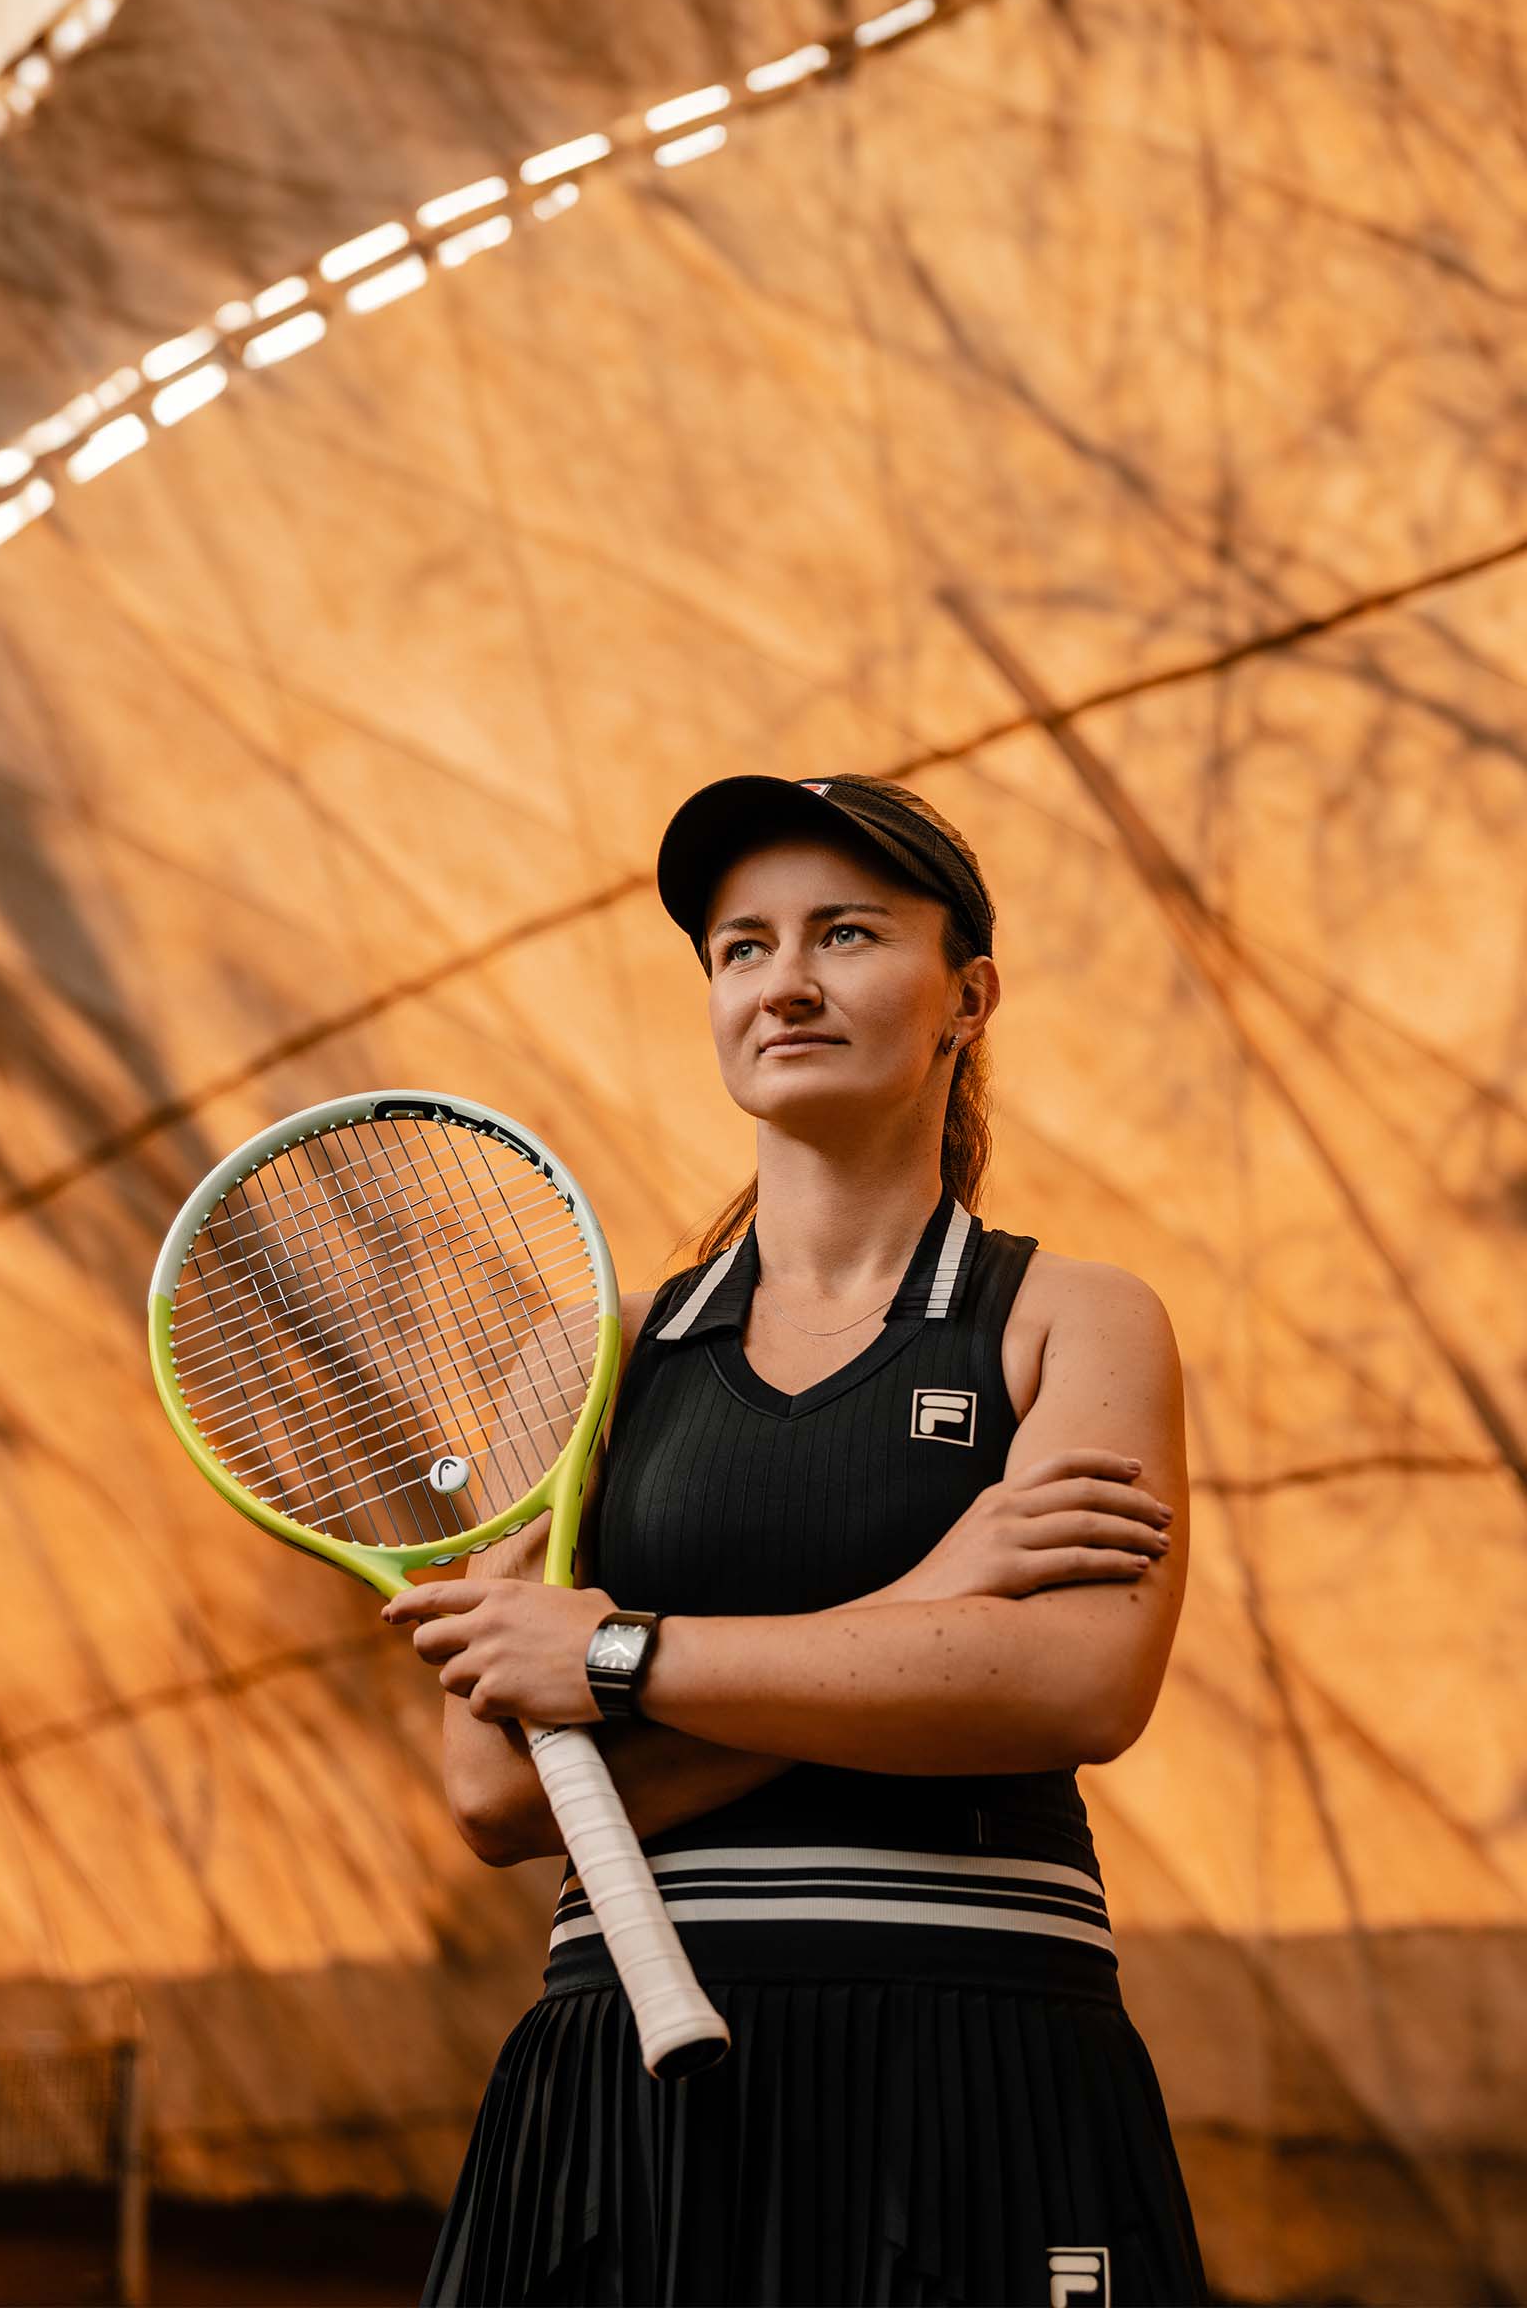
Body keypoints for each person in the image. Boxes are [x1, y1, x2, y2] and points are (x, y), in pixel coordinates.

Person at [385, 772, 1208, 2307]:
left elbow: (1074, 1687)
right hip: (624, 2085)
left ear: (968, 998)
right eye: (742, 948)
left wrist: (617, 1661)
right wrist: (936, 1598)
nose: (786, 983)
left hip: (980, 2064)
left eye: (847, 934)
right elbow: (497, 1793)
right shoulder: (588, 1358)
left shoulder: (1077, 1319)